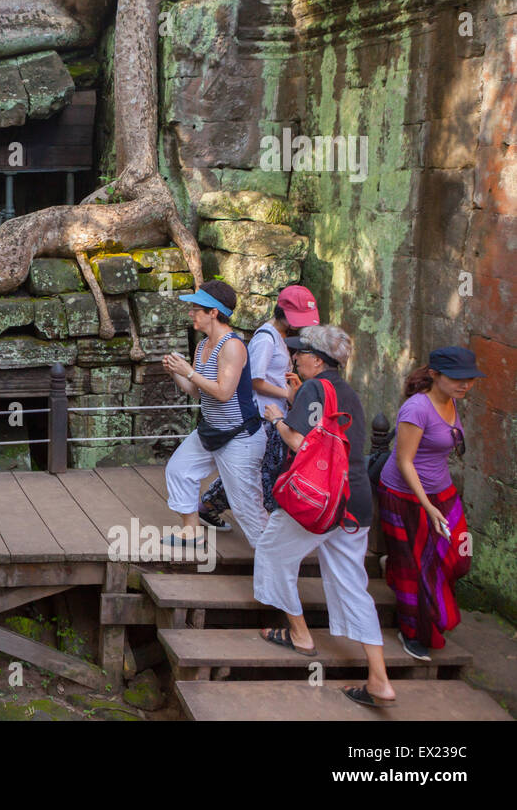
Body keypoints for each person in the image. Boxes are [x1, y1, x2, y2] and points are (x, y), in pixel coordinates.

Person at [253, 324, 394, 708]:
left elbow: (300, 443)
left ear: (317, 360)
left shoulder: (314, 389)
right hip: (356, 502)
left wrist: (277, 417)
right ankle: (379, 678)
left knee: (272, 553)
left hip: (318, 500)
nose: (294, 357)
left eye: (300, 353)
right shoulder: (348, 392)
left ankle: (299, 633)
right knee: (352, 585)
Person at [377, 346, 482, 661]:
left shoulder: (451, 400)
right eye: (457, 379)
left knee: (458, 558)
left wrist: (437, 503)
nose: (465, 385)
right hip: (404, 495)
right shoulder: (417, 408)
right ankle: (412, 633)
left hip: (442, 493)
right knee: (414, 568)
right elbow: (404, 461)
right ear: (435, 375)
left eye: (470, 379)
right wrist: (427, 506)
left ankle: (392, 567)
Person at [199, 285, 321, 531]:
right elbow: (254, 379)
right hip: (263, 414)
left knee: (256, 469)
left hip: (274, 412)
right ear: (281, 312)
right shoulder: (265, 339)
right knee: (262, 470)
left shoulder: (280, 337)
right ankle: (224, 509)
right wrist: (287, 394)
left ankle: (211, 505)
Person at [161, 280, 267, 547]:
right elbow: (198, 392)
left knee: (246, 506)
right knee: (179, 470)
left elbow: (223, 393)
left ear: (214, 312)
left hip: (240, 436)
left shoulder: (232, 346)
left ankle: (272, 557)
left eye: (197, 308)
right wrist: (176, 371)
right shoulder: (202, 346)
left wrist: (188, 371)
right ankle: (191, 531)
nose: (191, 313)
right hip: (212, 429)